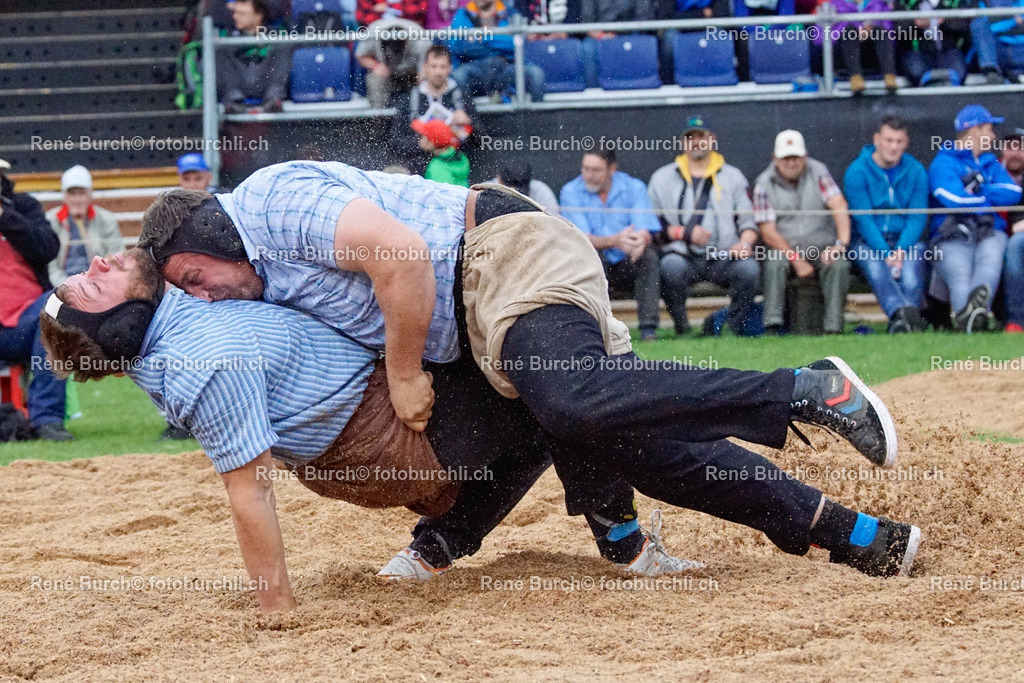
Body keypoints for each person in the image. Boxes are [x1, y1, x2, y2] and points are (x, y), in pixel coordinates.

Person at [43, 247, 922, 616]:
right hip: (387, 438)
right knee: (583, 404)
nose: (99, 262)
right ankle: (814, 459)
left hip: (391, 411)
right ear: (109, 327)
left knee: (574, 413)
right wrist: (277, 613)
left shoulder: (184, 304)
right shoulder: (201, 357)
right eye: (87, 283)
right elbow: (247, 488)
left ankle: (471, 540)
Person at [647, 115, 760, 336]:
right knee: (670, 267)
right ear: (682, 143)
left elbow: (748, 222)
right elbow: (651, 224)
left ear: (712, 139)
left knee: (749, 269)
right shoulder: (662, 178)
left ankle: (731, 327)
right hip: (682, 255)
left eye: (701, 136)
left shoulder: (733, 176)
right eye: (690, 137)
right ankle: (683, 329)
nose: (696, 142)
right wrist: (682, 233)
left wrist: (745, 243)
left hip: (724, 255)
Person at [928, 105, 1022, 332]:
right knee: (960, 275)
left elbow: (1013, 193)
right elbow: (954, 200)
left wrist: (980, 188)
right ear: (975, 131)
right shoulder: (944, 162)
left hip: (988, 230)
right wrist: (988, 200)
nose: (993, 137)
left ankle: (972, 321)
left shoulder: (989, 162)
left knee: (990, 262)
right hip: (951, 233)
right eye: (989, 130)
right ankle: (973, 323)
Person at [0, 158, 71, 442]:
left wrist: (4, 217)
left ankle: (47, 421)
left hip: (24, 322)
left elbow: (47, 248)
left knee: (53, 308)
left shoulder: (23, 207)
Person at [754, 130, 852, 335]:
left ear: (805, 157)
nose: (792, 163)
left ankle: (834, 329)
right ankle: (772, 326)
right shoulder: (764, 182)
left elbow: (839, 204)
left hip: (822, 246)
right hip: (785, 250)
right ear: (775, 159)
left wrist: (840, 244)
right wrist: (796, 260)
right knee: (774, 262)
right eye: (786, 158)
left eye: (796, 157)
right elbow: (768, 232)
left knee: (839, 264)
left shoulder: (819, 171)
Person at [560, 147, 663, 341]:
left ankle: (648, 331)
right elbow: (581, 238)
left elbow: (644, 228)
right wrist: (615, 240)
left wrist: (640, 240)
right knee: (589, 255)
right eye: (585, 168)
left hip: (627, 259)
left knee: (647, 255)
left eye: (596, 170)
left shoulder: (634, 187)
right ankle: (596, 330)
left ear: (612, 169)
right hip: (594, 262)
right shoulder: (571, 191)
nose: (588, 175)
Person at [844, 116, 930, 333]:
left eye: (899, 141)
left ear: (906, 142)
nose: (893, 147)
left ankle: (901, 323)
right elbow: (863, 220)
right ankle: (903, 314)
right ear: (877, 140)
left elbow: (917, 217)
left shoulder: (916, 170)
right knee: (875, 267)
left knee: (912, 275)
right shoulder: (856, 171)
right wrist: (885, 252)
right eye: (889, 140)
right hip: (867, 242)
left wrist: (900, 250)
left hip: (906, 241)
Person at [448, 0, 546, 102]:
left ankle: (534, 113)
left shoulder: (511, 12)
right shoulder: (463, 14)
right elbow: (457, 46)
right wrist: (499, 38)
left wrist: (482, 39)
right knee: (459, 75)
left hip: (507, 66)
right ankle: (467, 113)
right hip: (476, 67)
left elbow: (514, 43)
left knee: (536, 74)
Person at [45, 165, 123, 288]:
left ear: (90, 195)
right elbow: (50, 265)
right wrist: (66, 287)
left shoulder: (106, 219)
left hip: (98, 284)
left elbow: (116, 257)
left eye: (81, 193)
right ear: (65, 196)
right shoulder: (51, 220)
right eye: (72, 194)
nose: (77, 199)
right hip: (61, 286)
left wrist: (97, 285)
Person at [216, 0, 290, 113]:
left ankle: (274, 99)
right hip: (239, 85)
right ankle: (233, 101)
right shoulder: (227, 38)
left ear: (258, 15)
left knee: (283, 47)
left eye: (242, 13)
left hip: (266, 84)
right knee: (220, 49)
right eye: (235, 12)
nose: (235, 17)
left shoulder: (276, 36)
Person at [822, 0, 898, 94]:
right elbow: (819, 38)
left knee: (880, 31)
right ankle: (855, 78)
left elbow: (890, 32)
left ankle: (890, 77)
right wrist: (857, 29)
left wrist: (871, 28)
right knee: (849, 32)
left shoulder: (879, 4)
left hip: (873, 54)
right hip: (844, 54)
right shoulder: (833, 5)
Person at [355, 16, 432, 108]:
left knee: (428, 78)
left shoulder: (419, 38)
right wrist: (375, 66)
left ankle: (420, 111)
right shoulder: (374, 32)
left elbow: (427, 66)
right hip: (386, 73)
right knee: (375, 79)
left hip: (412, 75)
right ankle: (378, 114)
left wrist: (421, 76)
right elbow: (361, 55)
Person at [895, 0, 972, 87]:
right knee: (916, 71)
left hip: (949, 51)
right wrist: (915, 24)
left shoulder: (955, 2)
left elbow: (965, 24)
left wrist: (945, 20)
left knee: (959, 72)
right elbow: (897, 30)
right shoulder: (905, 2)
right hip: (918, 52)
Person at [1000, 129, 1024, 332]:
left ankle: (1017, 321)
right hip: (994, 234)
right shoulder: (991, 172)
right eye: (1010, 147)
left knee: (1016, 244)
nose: (1015, 153)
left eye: (1020, 148)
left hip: (1018, 237)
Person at [414, 119, 471, 186]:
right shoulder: (461, 157)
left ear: (430, 143)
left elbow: (441, 192)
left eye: (422, 136)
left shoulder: (437, 167)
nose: (419, 139)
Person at [494, 159, 559, 213]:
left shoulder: (541, 190)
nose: (515, 191)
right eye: (510, 188)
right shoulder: (489, 190)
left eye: (520, 187)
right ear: (499, 179)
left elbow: (553, 218)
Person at [356, 0, 427, 26]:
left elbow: (419, 11)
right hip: (378, 28)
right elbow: (361, 17)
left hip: (407, 27)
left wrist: (388, 7)